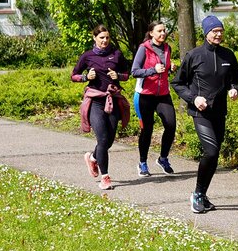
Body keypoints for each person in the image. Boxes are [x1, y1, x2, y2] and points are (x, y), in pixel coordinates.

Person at [171, 15, 238, 214]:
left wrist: (234, 90)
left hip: (219, 112)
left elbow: (235, 81)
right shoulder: (194, 55)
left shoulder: (228, 55)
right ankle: (197, 194)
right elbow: (177, 84)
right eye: (214, 31)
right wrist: (193, 99)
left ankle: (203, 193)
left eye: (221, 31)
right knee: (211, 151)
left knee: (214, 154)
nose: (218, 34)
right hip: (200, 112)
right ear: (206, 33)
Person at [72, 25, 131, 190]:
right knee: (102, 139)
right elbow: (73, 75)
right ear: (94, 38)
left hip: (112, 100)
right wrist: (86, 77)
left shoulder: (116, 54)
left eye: (107, 38)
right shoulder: (87, 56)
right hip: (96, 101)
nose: (105, 41)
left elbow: (127, 74)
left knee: (109, 140)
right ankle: (105, 178)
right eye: (102, 38)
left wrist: (117, 76)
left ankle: (92, 158)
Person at [131, 20, 176, 177]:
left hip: (163, 94)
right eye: (159, 31)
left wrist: (170, 68)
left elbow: (164, 68)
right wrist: (152, 70)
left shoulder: (167, 48)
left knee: (171, 125)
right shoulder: (144, 48)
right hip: (145, 95)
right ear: (151, 33)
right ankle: (142, 163)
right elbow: (135, 71)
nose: (163, 33)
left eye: (164, 30)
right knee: (147, 130)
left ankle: (163, 159)